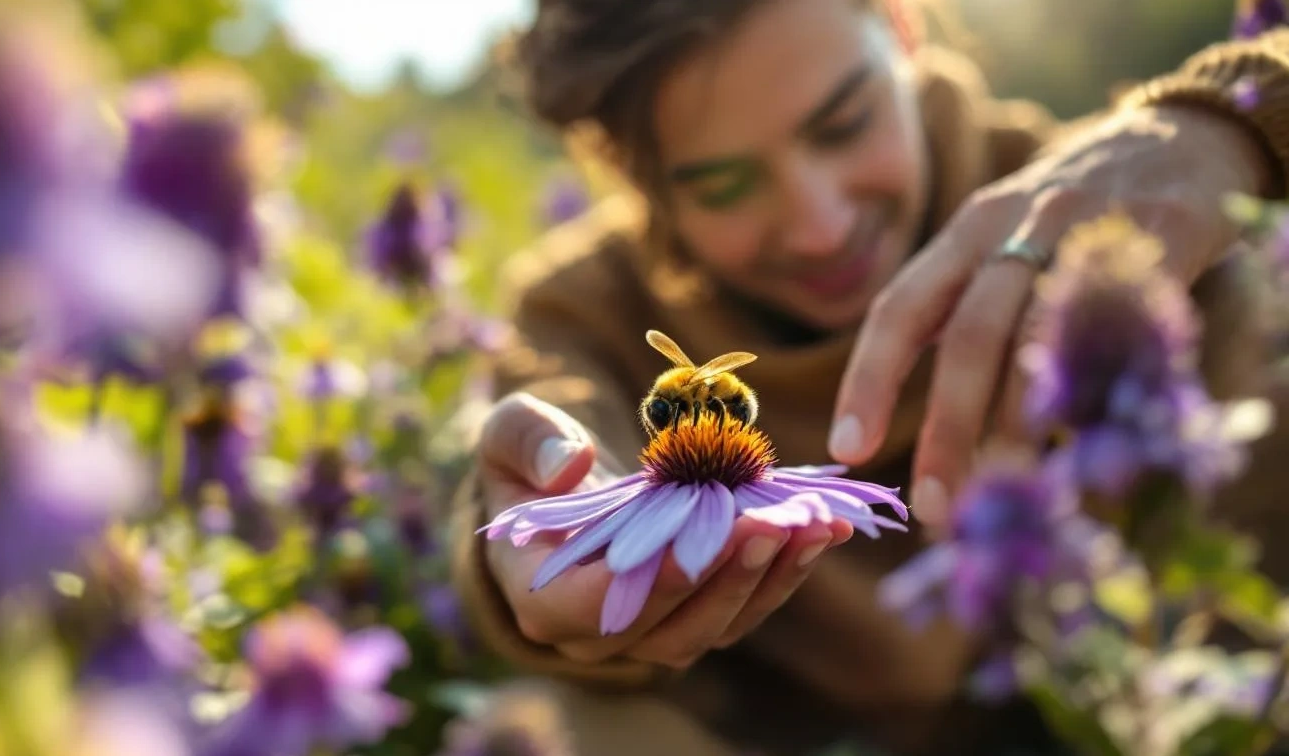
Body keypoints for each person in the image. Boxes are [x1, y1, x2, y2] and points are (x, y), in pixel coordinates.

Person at [445, 0, 1289, 753]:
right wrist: (543, 546)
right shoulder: (586, 312)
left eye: (844, 123)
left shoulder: (1137, 221)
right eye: (724, 185)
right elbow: (557, 425)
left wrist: (1243, 125)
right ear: (634, 178)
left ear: (900, 25)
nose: (820, 227)